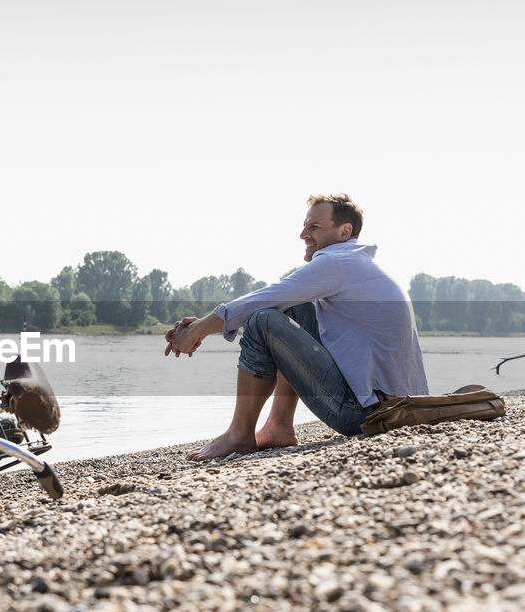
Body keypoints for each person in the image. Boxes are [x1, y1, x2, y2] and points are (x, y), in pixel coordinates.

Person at [165, 193, 428, 461]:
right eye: (305, 226)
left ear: (344, 231)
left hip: (369, 415)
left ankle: (239, 434)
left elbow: (258, 301)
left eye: (314, 227)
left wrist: (195, 331)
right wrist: (198, 326)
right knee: (293, 308)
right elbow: (277, 298)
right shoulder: (357, 263)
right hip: (393, 408)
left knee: (262, 320)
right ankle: (279, 426)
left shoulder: (336, 263)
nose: (303, 234)